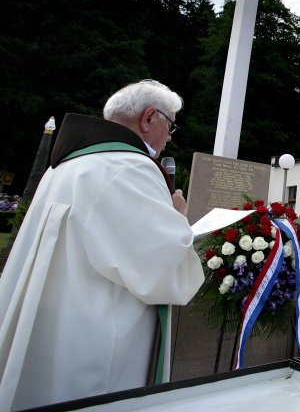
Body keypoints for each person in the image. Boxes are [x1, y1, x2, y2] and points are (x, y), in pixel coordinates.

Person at [0, 80, 204, 410]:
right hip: (93, 337)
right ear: (148, 118)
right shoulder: (130, 167)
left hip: (51, 321)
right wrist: (178, 218)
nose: (169, 137)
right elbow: (160, 263)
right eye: (170, 125)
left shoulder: (65, 165)